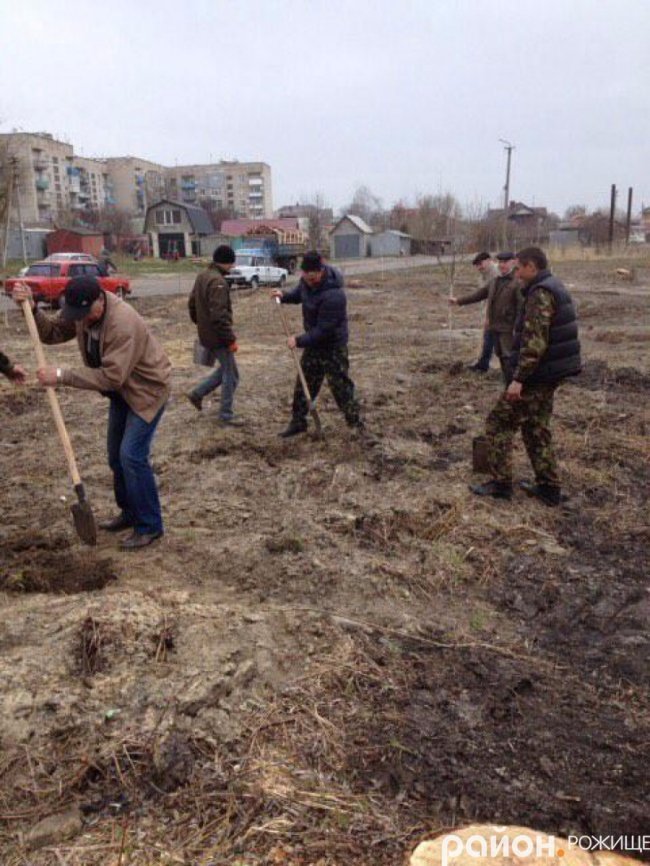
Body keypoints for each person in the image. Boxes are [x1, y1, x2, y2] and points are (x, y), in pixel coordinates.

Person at [13, 276, 171, 549]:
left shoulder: (122, 324)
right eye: (77, 315)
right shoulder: (83, 311)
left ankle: (150, 526)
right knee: (115, 457)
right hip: (122, 392)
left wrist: (61, 375)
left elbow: (112, 377)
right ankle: (129, 513)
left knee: (131, 456)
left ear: (100, 299)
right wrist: (32, 308)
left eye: (85, 314)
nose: (81, 320)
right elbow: (52, 333)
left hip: (147, 391)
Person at [471, 247, 581, 506]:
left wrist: (518, 379)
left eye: (519, 268)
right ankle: (549, 487)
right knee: (535, 427)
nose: (517, 273)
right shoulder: (552, 285)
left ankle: (500, 484)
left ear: (532, 266)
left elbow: (535, 343)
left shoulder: (540, 293)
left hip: (537, 375)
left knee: (498, 424)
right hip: (550, 372)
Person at [271, 250, 363, 438]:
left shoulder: (334, 295)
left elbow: (324, 330)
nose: (309, 281)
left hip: (332, 347)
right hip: (314, 346)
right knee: (303, 385)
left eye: (313, 278)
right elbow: (299, 295)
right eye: (306, 277)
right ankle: (298, 422)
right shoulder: (306, 282)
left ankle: (355, 423)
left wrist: (298, 340)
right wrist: (284, 295)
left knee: (340, 387)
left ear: (321, 271)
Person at [185, 245, 242, 426]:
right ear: (225, 262)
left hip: (207, 334)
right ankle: (226, 416)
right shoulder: (218, 282)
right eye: (231, 263)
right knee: (231, 376)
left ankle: (197, 394)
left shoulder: (202, 276)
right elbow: (219, 316)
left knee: (227, 371)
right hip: (218, 337)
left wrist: (201, 325)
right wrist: (230, 339)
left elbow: (192, 304)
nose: (233, 267)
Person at [450, 251, 522, 380]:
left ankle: (515, 384)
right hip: (495, 326)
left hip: (508, 328)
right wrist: (459, 301)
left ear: (513, 262)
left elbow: (521, 307)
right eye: (500, 262)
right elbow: (479, 294)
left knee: (510, 357)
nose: (502, 265)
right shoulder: (495, 280)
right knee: (501, 355)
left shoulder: (518, 282)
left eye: (505, 262)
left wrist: (517, 327)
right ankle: (508, 384)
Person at [467, 252, 499, 372]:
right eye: (477, 265)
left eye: (480, 264)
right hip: (488, 310)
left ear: (488, 260)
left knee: (496, 339)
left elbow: (494, 298)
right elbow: (482, 295)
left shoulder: (496, 274)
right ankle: (483, 363)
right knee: (488, 338)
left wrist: (489, 316)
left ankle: (490, 364)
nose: (479, 267)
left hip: (497, 312)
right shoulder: (483, 275)